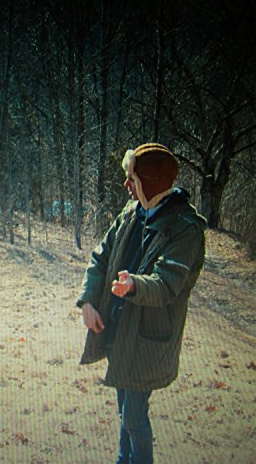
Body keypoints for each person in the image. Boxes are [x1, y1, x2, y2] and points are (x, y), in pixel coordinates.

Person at [77, 143, 206, 464]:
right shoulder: (131, 212)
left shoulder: (186, 228)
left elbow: (167, 284)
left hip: (146, 340)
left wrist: (134, 285)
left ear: (149, 182)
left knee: (134, 417)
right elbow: (100, 258)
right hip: (118, 332)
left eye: (132, 178)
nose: (126, 185)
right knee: (125, 412)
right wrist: (88, 301)